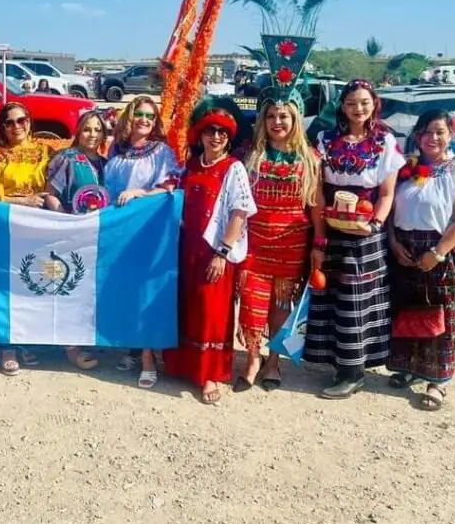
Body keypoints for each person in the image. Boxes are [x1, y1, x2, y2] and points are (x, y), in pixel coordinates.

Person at [304, 79, 405, 399]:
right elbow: (317, 192)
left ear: (374, 103)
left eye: (364, 102)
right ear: (342, 106)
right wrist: (319, 237)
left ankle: (353, 372)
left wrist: (373, 225)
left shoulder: (385, 142)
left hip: (365, 235)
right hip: (331, 228)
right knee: (330, 298)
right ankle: (338, 365)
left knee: (356, 303)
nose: (358, 109)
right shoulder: (325, 140)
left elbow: (387, 193)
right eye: (351, 103)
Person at [163, 100, 255, 404]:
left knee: (211, 310)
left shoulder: (233, 168)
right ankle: (184, 366)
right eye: (210, 131)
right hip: (187, 248)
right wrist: (139, 193)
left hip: (214, 251)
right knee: (187, 306)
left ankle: (211, 374)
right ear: (200, 135)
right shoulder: (190, 166)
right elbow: (168, 189)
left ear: (229, 138)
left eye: (222, 133)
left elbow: (239, 212)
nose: (216, 137)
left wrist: (222, 252)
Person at [387, 110, 455, 410]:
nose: (433, 138)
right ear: (417, 136)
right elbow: (388, 208)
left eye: (440, 132)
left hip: (444, 251)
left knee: (444, 318)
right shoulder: (405, 171)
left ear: (450, 135)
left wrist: (437, 253)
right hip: (404, 248)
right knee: (407, 312)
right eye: (427, 132)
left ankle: (437, 381)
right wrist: (393, 241)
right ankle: (408, 369)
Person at [236, 99, 326, 391]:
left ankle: (273, 362)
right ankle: (252, 359)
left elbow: (315, 205)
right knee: (251, 302)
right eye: (271, 116)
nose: (277, 122)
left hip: (291, 244)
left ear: (295, 120)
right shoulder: (251, 155)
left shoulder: (310, 158)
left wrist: (319, 244)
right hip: (255, 242)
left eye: (284, 116)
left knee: (280, 305)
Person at [102, 95, 179, 388]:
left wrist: (140, 193)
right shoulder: (117, 148)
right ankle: (132, 347)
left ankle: (149, 358)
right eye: (139, 114)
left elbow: (171, 184)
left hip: (146, 230)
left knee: (145, 290)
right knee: (123, 288)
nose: (144, 120)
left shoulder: (161, 151)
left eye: (150, 115)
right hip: (118, 227)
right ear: (129, 118)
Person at [0, 101, 53, 375]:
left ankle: (25, 339)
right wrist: (22, 200)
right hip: (6, 225)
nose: (16, 126)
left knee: (31, 282)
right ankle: (6, 346)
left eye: (21, 120)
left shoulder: (45, 151)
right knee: (6, 285)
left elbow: (52, 185)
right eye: (9, 122)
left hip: (38, 228)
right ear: (1, 127)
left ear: (30, 121)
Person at [44, 109, 107, 370]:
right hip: (68, 231)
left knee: (86, 288)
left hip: (95, 235)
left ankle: (82, 337)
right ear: (78, 132)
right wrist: (63, 219)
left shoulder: (105, 164)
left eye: (97, 130)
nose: (92, 134)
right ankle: (70, 347)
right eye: (87, 129)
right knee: (65, 284)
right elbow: (50, 193)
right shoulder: (68, 158)